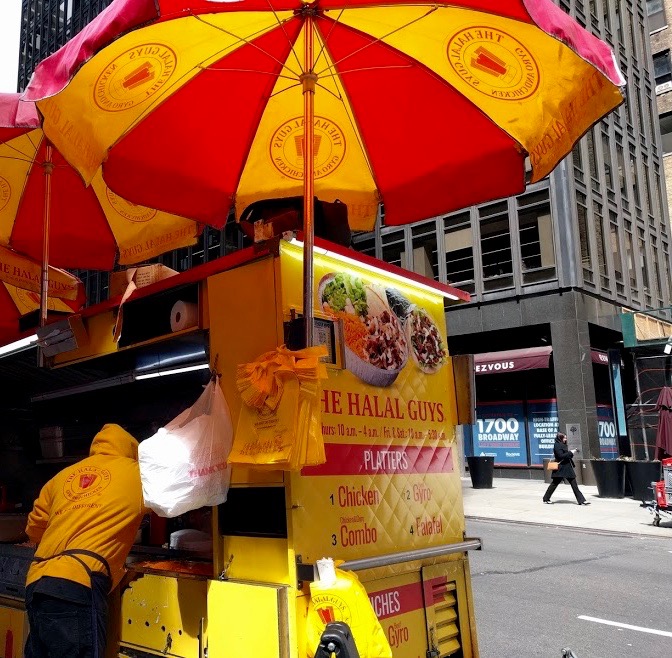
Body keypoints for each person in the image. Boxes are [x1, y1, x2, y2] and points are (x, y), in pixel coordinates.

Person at [24, 423, 146, 658]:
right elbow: (171, 505)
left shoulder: (61, 477)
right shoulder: (138, 474)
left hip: (37, 581)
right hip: (78, 584)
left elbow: (33, 530)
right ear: (132, 450)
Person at [543, 432, 591, 506]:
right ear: (560, 438)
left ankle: (581, 500)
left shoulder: (563, 444)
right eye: (564, 437)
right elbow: (560, 456)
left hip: (567, 467)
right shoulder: (557, 445)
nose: (566, 439)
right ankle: (546, 498)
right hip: (560, 468)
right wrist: (571, 452)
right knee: (554, 483)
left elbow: (566, 455)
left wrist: (572, 452)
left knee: (574, 484)